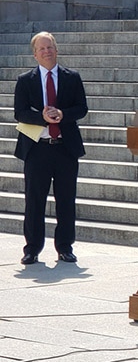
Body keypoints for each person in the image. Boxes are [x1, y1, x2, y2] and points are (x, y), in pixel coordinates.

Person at [14, 31, 88, 265]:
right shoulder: (25, 80)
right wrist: (43, 118)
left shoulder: (71, 77)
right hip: (38, 148)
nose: (47, 52)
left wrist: (63, 114)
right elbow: (20, 112)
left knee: (66, 199)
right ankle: (32, 248)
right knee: (34, 200)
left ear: (57, 50)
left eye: (50, 47)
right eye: (42, 49)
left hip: (65, 147)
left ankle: (65, 247)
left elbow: (82, 108)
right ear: (35, 54)